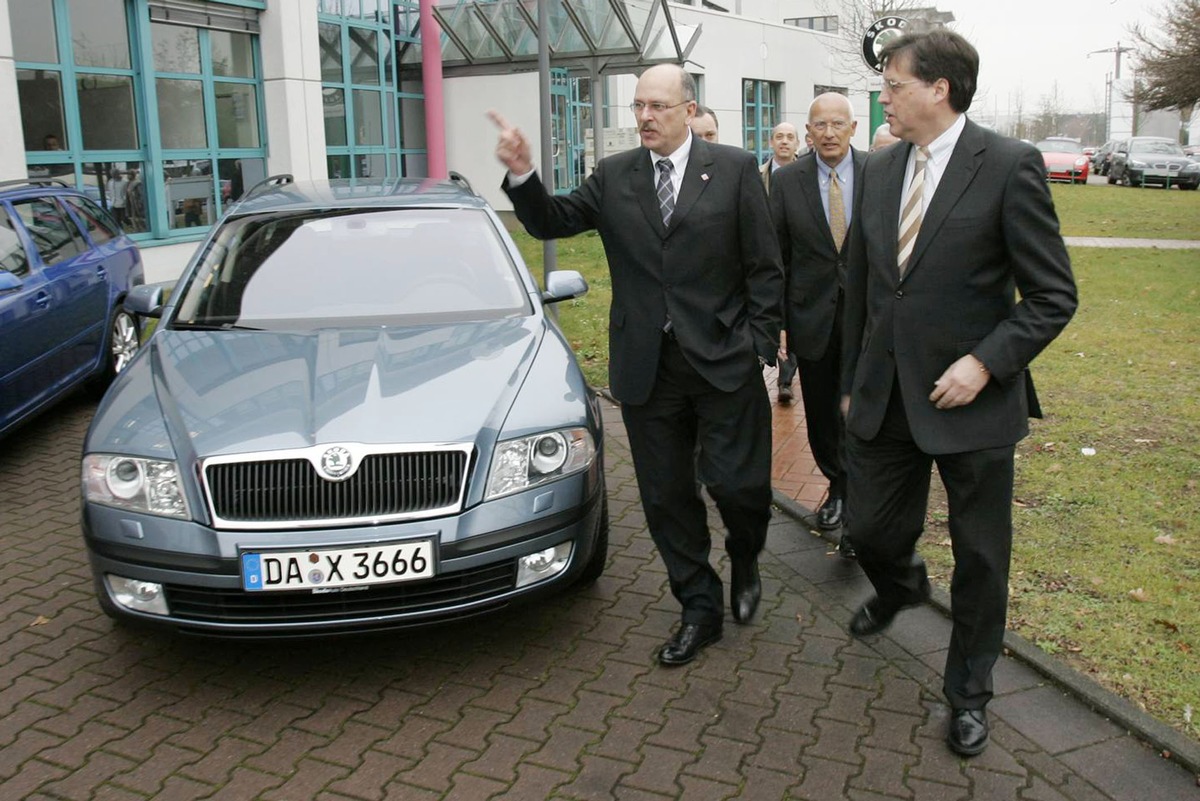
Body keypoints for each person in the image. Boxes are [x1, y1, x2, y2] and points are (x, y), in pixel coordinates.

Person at [491, 63, 783, 667]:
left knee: (738, 486)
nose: (645, 117)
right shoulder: (615, 175)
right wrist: (522, 172)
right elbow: (552, 220)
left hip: (723, 359)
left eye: (657, 106)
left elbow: (764, 265)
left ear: (686, 108)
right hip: (648, 366)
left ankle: (746, 553)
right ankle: (699, 606)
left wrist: (760, 344)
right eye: (638, 106)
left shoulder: (732, 169)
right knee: (667, 496)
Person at [840, 30, 1077, 757]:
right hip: (886, 395)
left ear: (939, 88)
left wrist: (985, 362)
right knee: (871, 532)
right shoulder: (880, 170)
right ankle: (903, 582)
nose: (884, 95)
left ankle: (968, 693)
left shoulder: (1008, 166)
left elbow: (1051, 294)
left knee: (980, 559)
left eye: (895, 83)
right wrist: (853, 381)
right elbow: (861, 286)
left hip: (972, 402)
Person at [769, 92, 862, 555]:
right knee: (823, 413)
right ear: (808, 133)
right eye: (819, 126)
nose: (828, 133)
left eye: (837, 124)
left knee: (863, 411)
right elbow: (777, 257)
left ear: (853, 128)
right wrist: (780, 320)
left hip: (868, 319)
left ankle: (857, 498)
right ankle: (838, 486)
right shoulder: (787, 182)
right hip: (812, 317)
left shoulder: (880, 175)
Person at [759, 122, 800, 193]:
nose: (784, 142)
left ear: (797, 144)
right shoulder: (758, 174)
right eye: (779, 137)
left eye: (790, 138)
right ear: (771, 143)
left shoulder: (809, 175)